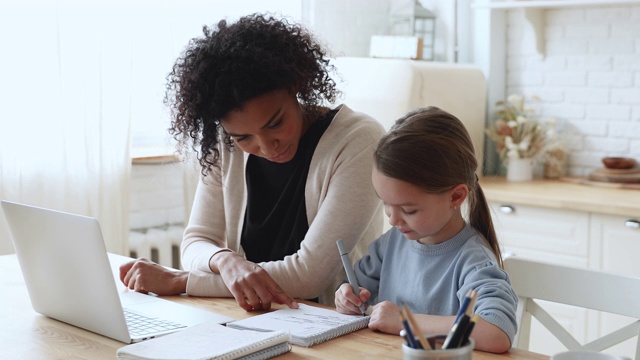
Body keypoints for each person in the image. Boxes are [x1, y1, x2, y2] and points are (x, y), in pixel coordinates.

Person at [119, 13, 384, 312]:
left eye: (275, 123)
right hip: (254, 316)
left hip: (334, 323)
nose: (266, 145)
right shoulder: (226, 144)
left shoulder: (359, 141)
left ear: (295, 86)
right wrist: (226, 260)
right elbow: (197, 240)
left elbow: (309, 276)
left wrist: (183, 281)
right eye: (243, 137)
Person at [334, 107, 518, 353]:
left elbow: (496, 332)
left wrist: (404, 320)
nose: (393, 219)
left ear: (456, 196)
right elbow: (356, 288)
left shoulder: (473, 261)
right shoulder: (391, 243)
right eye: (386, 203)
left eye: (408, 210)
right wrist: (346, 296)